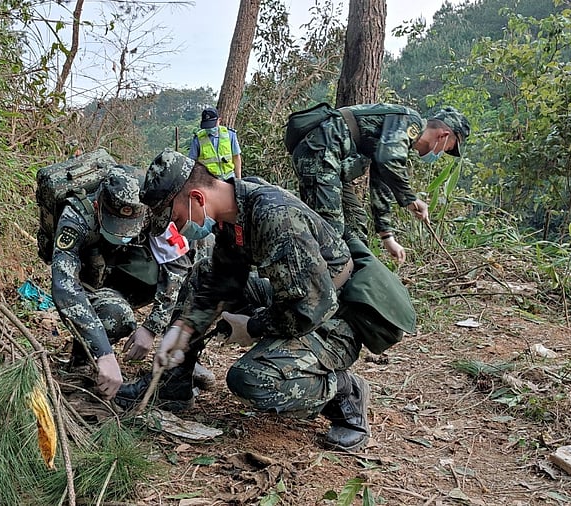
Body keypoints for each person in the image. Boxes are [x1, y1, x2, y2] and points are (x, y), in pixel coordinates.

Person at [118, 149, 412, 451]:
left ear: (197, 198)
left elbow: (308, 310)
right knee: (202, 274)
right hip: (298, 296)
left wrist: (253, 326)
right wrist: (185, 328)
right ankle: (174, 385)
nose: (177, 228)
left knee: (252, 379)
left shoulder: (274, 216)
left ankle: (345, 394)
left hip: (336, 317)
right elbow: (222, 279)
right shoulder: (234, 210)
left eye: (175, 217)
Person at [50, 165, 199, 400]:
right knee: (115, 315)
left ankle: (178, 366)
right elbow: (65, 286)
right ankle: (83, 359)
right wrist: (104, 353)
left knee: (197, 275)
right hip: (91, 281)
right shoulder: (76, 217)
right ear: (98, 206)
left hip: (127, 274)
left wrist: (151, 328)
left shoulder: (152, 207)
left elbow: (177, 267)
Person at [289, 105, 470, 263]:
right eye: (447, 148)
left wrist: (387, 237)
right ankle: (314, 289)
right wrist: (411, 200)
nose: (441, 153)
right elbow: (388, 160)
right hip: (319, 153)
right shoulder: (410, 121)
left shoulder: (399, 140)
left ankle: (357, 283)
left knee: (355, 222)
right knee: (330, 231)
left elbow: (381, 181)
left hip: (329, 160)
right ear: (443, 135)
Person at [189, 106, 242, 180]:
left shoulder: (230, 134)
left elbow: (236, 157)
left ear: (219, 120)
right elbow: (192, 162)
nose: (210, 128)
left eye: (211, 125)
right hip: (208, 180)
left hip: (229, 178)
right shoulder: (198, 138)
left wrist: (239, 179)